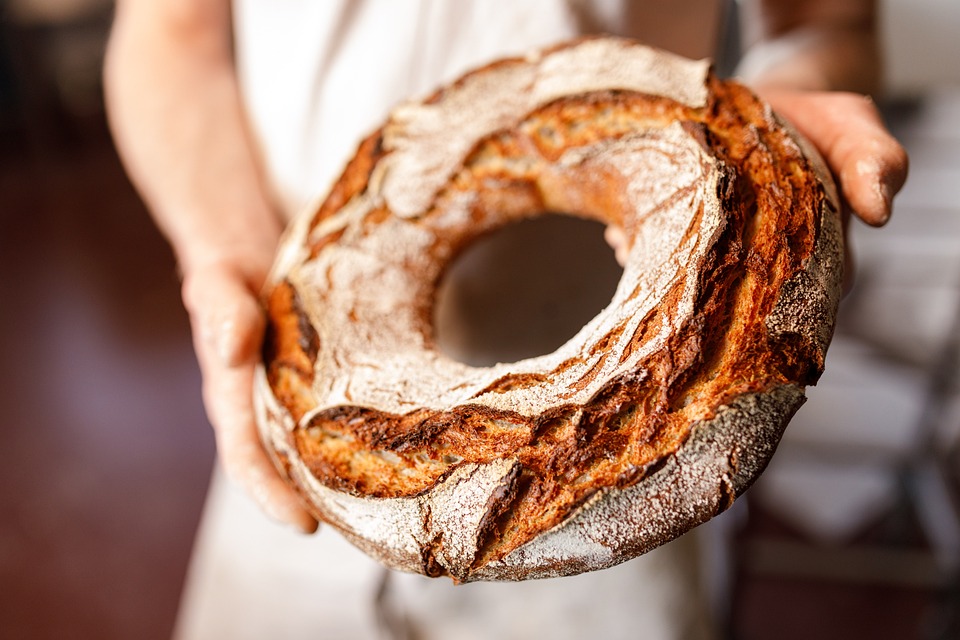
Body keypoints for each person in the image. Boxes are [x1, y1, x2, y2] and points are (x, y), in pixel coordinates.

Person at [104, 1, 909, 637]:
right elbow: (170, 35)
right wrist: (225, 247)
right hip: (299, 369)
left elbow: (824, 19)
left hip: (614, 470)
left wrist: (784, 120)